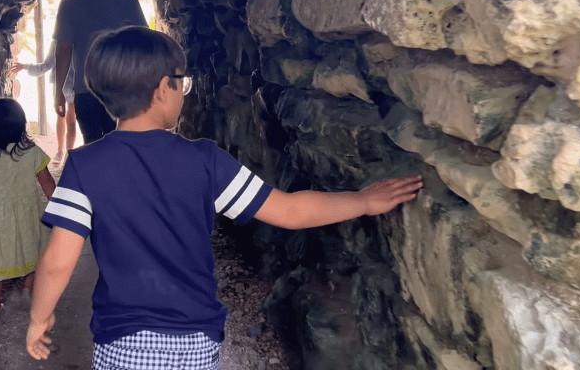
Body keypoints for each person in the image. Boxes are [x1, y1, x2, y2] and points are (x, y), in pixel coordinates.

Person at [25, 26, 423, 367]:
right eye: (183, 82)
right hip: (195, 338)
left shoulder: (84, 165)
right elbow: (288, 210)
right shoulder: (204, 160)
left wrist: (39, 318)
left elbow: (59, 260)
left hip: (123, 340)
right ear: (165, 89)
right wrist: (363, 201)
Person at [0, 98, 57, 322]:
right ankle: (27, 291)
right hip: (28, 215)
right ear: (21, 126)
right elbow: (47, 182)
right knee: (31, 250)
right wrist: (58, 205)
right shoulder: (32, 153)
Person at [53, 0, 146, 144]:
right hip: (121, 88)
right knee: (121, 147)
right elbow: (143, 43)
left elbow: (64, 50)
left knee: (93, 147)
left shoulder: (70, 2)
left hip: (86, 91)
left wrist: (58, 92)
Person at [11, 42, 77, 159]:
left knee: (61, 116)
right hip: (73, 84)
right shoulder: (79, 39)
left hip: (59, 84)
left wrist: (25, 66)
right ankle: (68, 153)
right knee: (71, 118)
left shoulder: (58, 42)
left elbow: (46, 65)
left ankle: (60, 151)